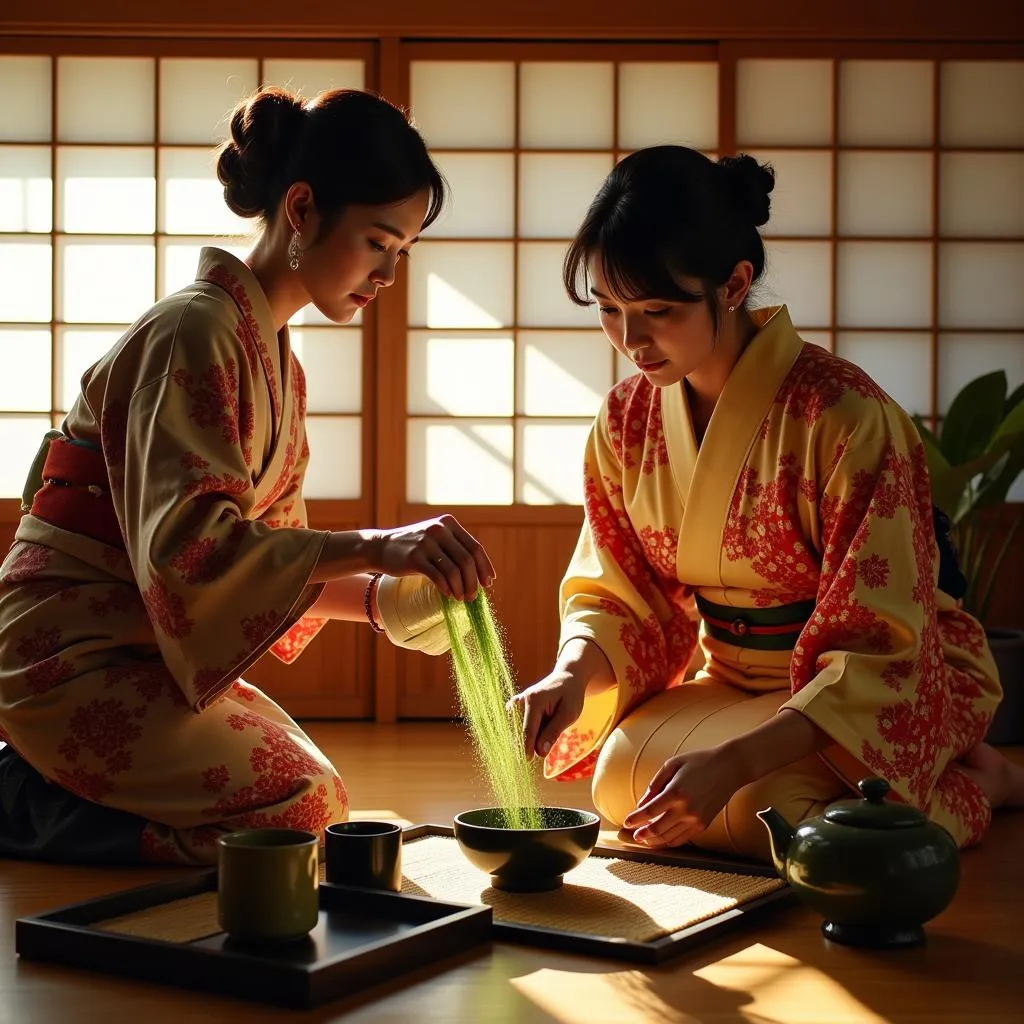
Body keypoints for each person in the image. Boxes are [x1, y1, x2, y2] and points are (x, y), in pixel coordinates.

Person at [0, 87, 493, 866]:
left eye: (402, 253)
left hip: (137, 652)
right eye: (377, 242)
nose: (388, 274)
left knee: (316, 800)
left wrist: (384, 600)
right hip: (70, 654)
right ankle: (20, 802)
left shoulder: (276, 364)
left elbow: (268, 557)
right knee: (300, 812)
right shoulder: (195, 331)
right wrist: (376, 545)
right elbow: (195, 552)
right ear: (300, 209)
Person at [509, 145, 1024, 862]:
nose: (631, 340)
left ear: (733, 284)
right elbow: (618, 595)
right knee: (618, 784)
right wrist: (571, 672)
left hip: (864, 684)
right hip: (727, 677)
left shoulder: (844, 414)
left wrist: (737, 761)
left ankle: (983, 783)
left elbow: (880, 638)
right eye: (608, 309)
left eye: (657, 309)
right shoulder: (627, 421)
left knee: (765, 810)